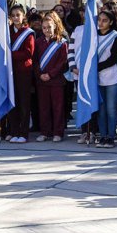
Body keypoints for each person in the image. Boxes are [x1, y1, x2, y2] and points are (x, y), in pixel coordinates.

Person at [33, 12, 67, 142]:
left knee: (57, 107)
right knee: (43, 107)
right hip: (42, 81)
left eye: (49, 27)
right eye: (44, 27)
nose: (47, 30)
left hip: (56, 81)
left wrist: (50, 74)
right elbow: (35, 61)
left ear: (55, 27)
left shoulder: (61, 43)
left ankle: (58, 132)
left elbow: (62, 62)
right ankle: (45, 132)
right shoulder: (38, 42)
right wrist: (40, 74)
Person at [6, 4, 35, 143]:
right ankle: (14, 131)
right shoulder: (7, 32)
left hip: (24, 72)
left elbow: (28, 53)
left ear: (23, 16)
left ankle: (23, 133)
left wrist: (10, 54)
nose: (16, 18)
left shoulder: (28, 33)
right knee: (12, 101)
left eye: (18, 15)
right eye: (13, 15)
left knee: (24, 102)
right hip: (10, 71)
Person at [95, 10, 117, 148]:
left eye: (104, 20)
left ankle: (111, 136)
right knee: (101, 108)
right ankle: (103, 135)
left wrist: (96, 67)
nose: (101, 23)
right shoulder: (94, 35)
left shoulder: (115, 36)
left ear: (111, 22)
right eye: (99, 20)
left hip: (112, 76)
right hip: (98, 78)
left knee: (111, 108)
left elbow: (112, 59)